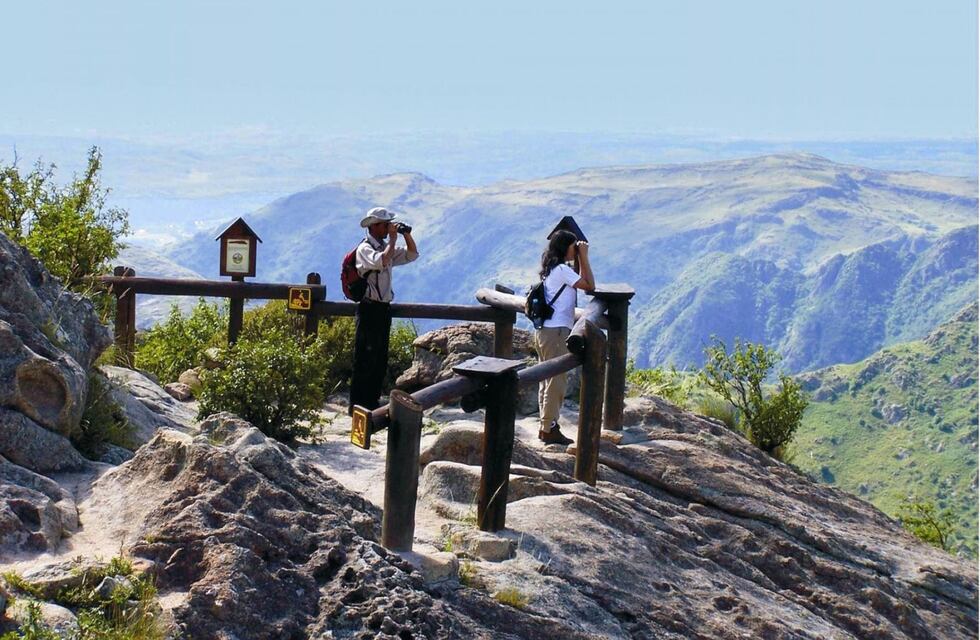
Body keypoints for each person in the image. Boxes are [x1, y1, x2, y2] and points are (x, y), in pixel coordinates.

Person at [348, 207, 419, 413]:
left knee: (379, 358)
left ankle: (372, 402)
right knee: (364, 358)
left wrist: (406, 234)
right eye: (386, 225)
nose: (389, 228)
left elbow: (412, 254)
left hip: (382, 309)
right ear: (375, 226)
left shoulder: (384, 246)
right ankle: (357, 406)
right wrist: (394, 240)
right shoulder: (365, 249)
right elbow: (382, 261)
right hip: (369, 309)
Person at [534, 229, 594, 445]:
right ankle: (549, 427)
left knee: (546, 379)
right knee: (556, 380)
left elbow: (581, 281)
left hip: (545, 331)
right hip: (557, 332)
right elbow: (590, 285)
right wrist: (584, 256)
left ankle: (546, 425)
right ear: (565, 248)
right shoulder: (561, 270)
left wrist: (578, 257)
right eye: (572, 247)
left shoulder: (552, 269)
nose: (575, 250)